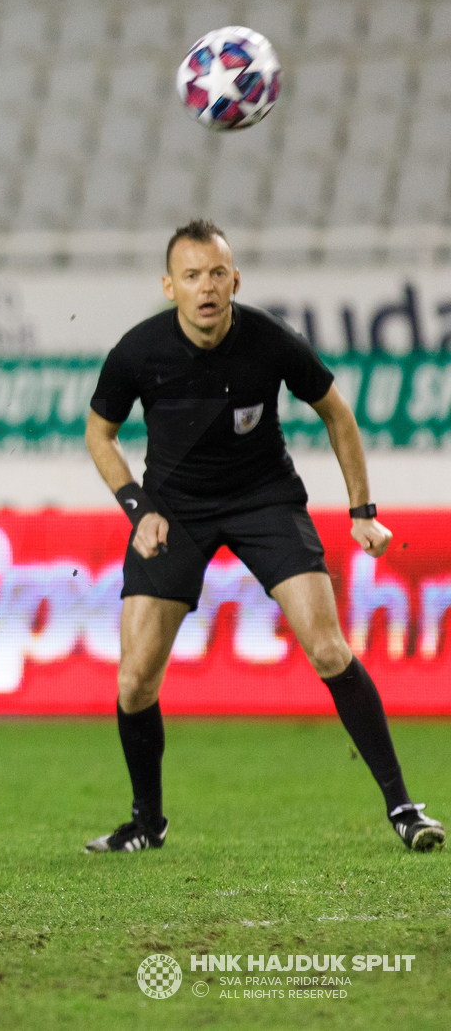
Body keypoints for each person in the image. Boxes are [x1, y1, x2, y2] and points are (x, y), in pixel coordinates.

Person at [80, 219, 441, 855]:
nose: (206, 287)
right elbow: (99, 433)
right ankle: (146, 822)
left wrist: (363, 510)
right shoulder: (138, 351)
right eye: (192, 275)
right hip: (175, 510)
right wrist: (139, 509)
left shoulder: (270, 340)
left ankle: (403, 807)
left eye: (217, 273)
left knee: (328, 649)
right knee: (135, 681)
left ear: (236, 280)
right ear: (169, 286)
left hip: (264, 499)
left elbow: (337, 413)